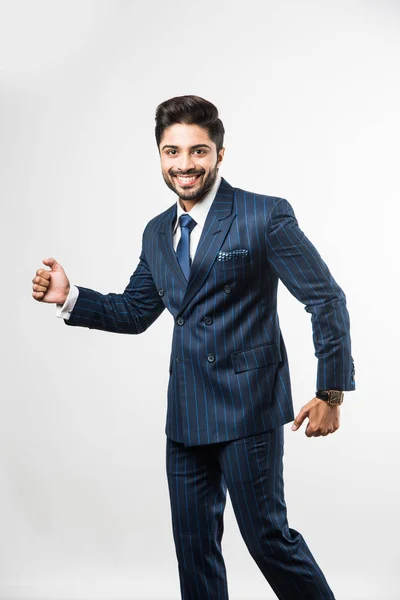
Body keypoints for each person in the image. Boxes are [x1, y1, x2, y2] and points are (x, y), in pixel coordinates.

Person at [32, 95, 355, 599]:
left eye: (198, 151)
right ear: (159, 156)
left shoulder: (262, 216)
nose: (184, 164)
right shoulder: (158, 233)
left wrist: (331, 392)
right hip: (185, 417)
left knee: (268, 539)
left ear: (220, 154)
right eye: (172, 151)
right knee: (195, 551)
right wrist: (70, 297)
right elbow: (135, 313)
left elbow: (325, 298)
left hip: (248, 411)